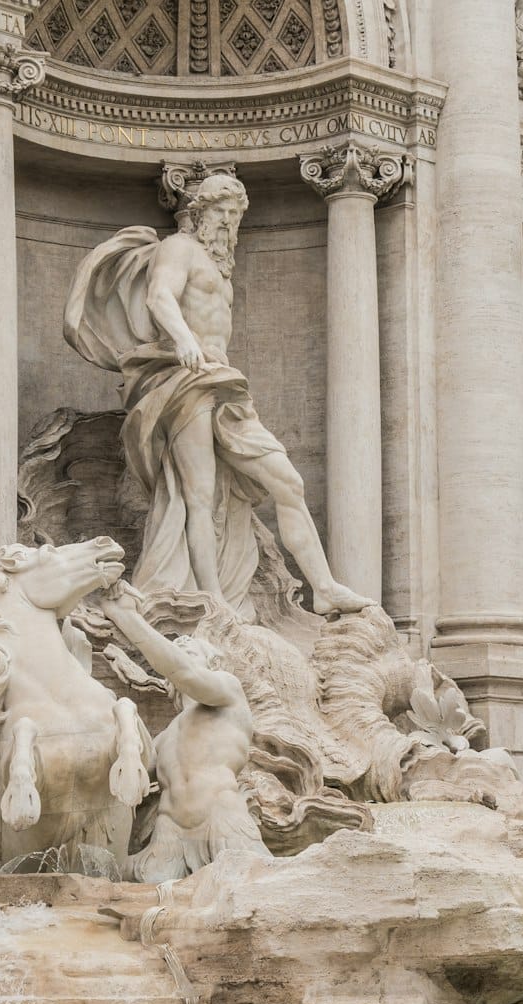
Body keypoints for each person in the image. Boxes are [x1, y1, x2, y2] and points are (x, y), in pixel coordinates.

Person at [64, 174, 369, 618]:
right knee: (199, 495)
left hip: (222, 382)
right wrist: (184, 339)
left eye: (234, 216)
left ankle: (323, 587)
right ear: (199, 213)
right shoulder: (179, 248)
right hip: (182, 380)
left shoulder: (220, 263)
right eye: (219, 213)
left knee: (288, 481)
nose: (227, 223)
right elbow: (159, 296)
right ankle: (214, 601)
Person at [101, 584, 268, 884]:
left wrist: (125, 617)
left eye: (190, 645)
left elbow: (186, 674)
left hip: (221, 820)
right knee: (141, 900)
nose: (181, 642)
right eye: (177, 646)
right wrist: (124, 719)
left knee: (252, 888)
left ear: (212, 662)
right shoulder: (164, 737)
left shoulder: (228, 694)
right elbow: (124, 781)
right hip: (170, 835)